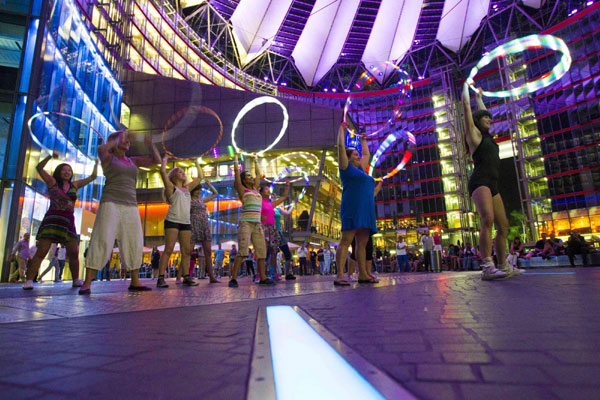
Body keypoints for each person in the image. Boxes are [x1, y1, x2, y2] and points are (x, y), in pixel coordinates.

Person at [80, 130, 159, 294]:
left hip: (130, 204)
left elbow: (156, 160)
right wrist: (117, 138)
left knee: (134, 240)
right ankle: (87, 282)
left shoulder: (132, 161)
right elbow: (102, 149)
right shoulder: (108, 158)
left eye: (128, 140)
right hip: (110, 202)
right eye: (123, 140)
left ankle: (135, 281)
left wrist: (150, 144)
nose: (127, 142)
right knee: (102, 238)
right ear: (114, 142)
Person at [22, 152, 99, 289]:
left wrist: (96, 164)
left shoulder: (75, 185)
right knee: (42, 251)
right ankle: (28, 280)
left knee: (74, 252)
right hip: (52, 219)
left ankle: (76, 279)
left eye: (69, 170)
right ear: (59, 171)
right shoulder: (52, 182)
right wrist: (50, 156)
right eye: (64, 169)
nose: (67, 172)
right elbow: (39, 168)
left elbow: (92, 177)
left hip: (68, 221)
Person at [462, 83, 512, 280]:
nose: (489, 119)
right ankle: (487, 266)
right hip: (480, 181)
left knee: (504, 225)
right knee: (488, 219)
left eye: (490, 118)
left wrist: (479, 96)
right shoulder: (473, 136)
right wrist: (466, 87)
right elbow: (466, 106)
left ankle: (503, 265)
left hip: (493, 184)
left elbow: (481, 110)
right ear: (477, 120)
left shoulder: (489, 138)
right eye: (485, 117)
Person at [335, 123, 378, 286]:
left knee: (362, 243)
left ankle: (363, 274)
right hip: (352, 208)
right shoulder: (346, 168)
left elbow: (366, 153)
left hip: (366, 211)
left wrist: (364, 140)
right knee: (346, 240)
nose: (358, 156)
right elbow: (340, 147)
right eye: (354, 154)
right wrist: (341, 131)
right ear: (348, 156)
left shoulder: (362, 171)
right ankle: (340, 274)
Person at [155, 155, 200, 288]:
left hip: (185, 222)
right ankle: (161, 278)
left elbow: (200, 178)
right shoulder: (171, 187)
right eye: (179, 172)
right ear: (174, 176)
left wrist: (196, 163)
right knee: (168, 249)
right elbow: (162, 172)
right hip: (173, 220)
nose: (182, 173)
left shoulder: (187, 189)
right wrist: (165, 161)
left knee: (186, 251)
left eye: (182, 172)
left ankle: (186, 277)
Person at [228, 153, 270, 288]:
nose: (252, 178)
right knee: (243, 251)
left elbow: (258, 174)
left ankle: (263, 277)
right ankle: (233, 278)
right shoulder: (242, 189)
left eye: (251, 176)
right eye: (248, 176)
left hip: (257, 225)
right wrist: (235, 158)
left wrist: (256, 159)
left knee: (261, 252)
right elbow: (236, 172)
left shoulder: (257, 189)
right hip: (245, 223)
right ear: (244, 180)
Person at [188, 161, 219, 282]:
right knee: (188, 251)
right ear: (193, 190)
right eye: (197, 189)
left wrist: (209, 184)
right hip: (193, 225)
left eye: (200, 190)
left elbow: (215, 193)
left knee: (208, 251)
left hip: (204, 225)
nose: (199, 191)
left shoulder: (202, 200)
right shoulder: (188, 200)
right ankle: (182, 276)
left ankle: (212, 277)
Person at [260, 185, 288, 281]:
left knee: (274, 251)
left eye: (269, 189)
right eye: (266, 189)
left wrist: (287, 186)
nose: (268, 191)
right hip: (264, 227)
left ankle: (274, 274)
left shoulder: (271, 204)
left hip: (273, 228)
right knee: (264, 251)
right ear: (262, 193)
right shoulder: (259, 202)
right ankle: (259, 274)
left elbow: (284, 197)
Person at [274, 207, 295, 280]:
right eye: (272, 194)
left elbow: (287, 213)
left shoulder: (277, 209)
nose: (273, 195)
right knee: (270, 254)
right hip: (271, 231)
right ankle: (261, 275)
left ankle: (287, 274)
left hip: (279, 233)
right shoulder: (267, 206)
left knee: (288, 254)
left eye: (274, 194)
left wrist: (292, 206)